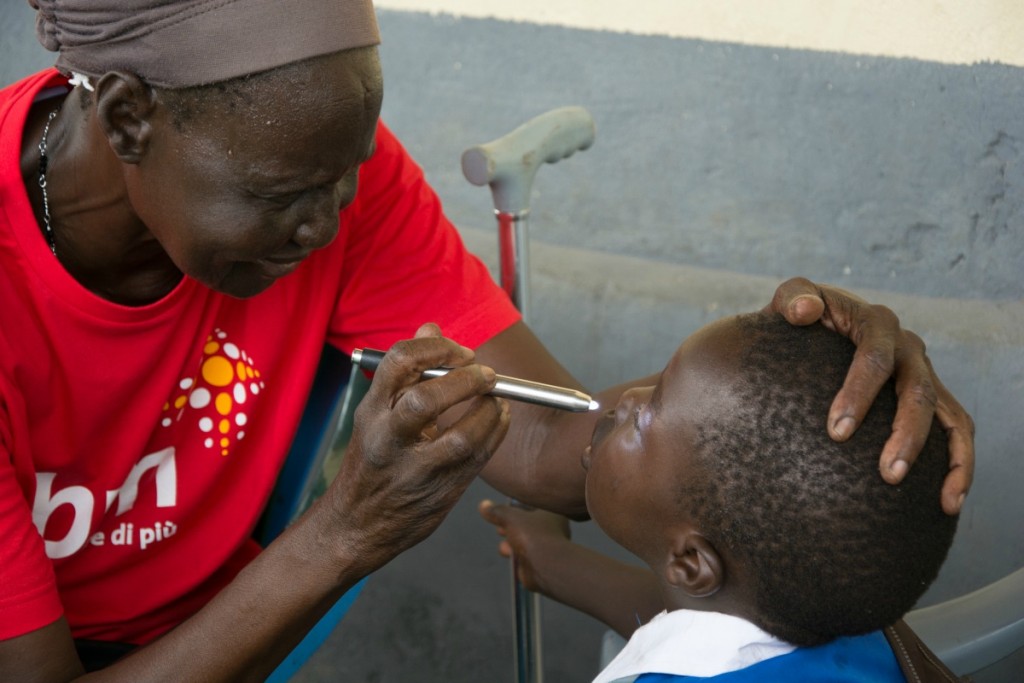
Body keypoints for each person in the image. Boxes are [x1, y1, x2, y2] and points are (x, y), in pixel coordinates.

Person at [0, 1, 973, 680]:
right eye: (284, 195)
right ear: (129, 116)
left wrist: (813, 441)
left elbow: (557, 444)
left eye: (349, 173)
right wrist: (342, 533)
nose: (331, 222)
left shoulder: (337, 180)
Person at [480, 310, 961, 682]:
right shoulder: (854, 626)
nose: (626, 398)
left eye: (645, 419)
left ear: (691, 562)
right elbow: (711, 622)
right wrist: (551, 560)